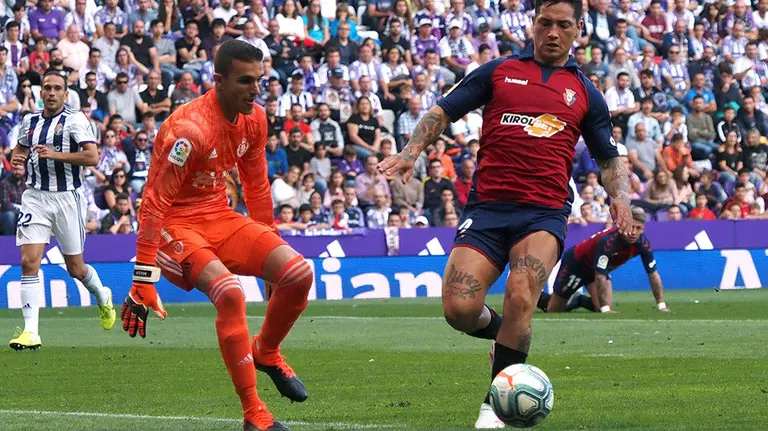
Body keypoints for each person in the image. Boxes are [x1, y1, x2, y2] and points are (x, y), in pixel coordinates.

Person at [377, 0, 631, 427]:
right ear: (532, 24)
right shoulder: (498, 71)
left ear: (579, 29)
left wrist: (619, 197)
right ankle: (506, 335)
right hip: (487, 209)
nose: (552, 33)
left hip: (544, 213)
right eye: (545, 23)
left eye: (563, 25)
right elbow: (443, 110)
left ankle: (495, 406)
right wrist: (410, 150)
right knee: (458, 310)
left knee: (521, 294)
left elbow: (608, 158)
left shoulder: (587, 93)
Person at [120, 40, 308, 431]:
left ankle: (267, 351)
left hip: (219, 215)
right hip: (176, 224)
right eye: (245, 81)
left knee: (297, 273)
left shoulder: (255, 117)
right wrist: (142, 279)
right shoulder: (188, 131)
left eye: (260, 80)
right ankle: (254, 413)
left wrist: (269, 248)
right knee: (231, 294)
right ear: (218, 80)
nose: (255, 90)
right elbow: (153, 203)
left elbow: (256, 185)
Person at [8, 70, 116, 351]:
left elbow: (93, 157)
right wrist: (16, 156)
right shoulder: (29, 122)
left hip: (68, 198)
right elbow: (18, 150)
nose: (52, 92)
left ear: (66, 94)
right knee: (29, 260)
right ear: (40, 93)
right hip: (35, 197)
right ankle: (31, 332)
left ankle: (103, 296)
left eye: (57, 88)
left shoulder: (75, 120)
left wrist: (56, 155)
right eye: (47, 88)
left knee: (76, 268)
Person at [538, 207, 669, 313]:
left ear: (643, 229)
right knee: (554, 310)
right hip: (576, 264)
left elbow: (653, 275)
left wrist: (661, 305)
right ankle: (537, 298)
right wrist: (605, 310)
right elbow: (600, 276)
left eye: (638, 228)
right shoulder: (608, 242)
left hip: (597, 270)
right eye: (631, 227)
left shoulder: (643, 244)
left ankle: (579, 300)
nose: (633, 232)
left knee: (601, 307)